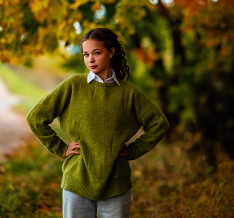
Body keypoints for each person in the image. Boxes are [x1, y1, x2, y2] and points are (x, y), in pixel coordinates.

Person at [26, 27, 170, 218]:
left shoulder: (128, 92)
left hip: (116, 184)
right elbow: (35, 117)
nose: (90, 60)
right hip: (76, 181)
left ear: (111, 52)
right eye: (86, 54)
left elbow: (159, 123)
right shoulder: (73, 85)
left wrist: (134, 150)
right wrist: (60, 148)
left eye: (96, 53)